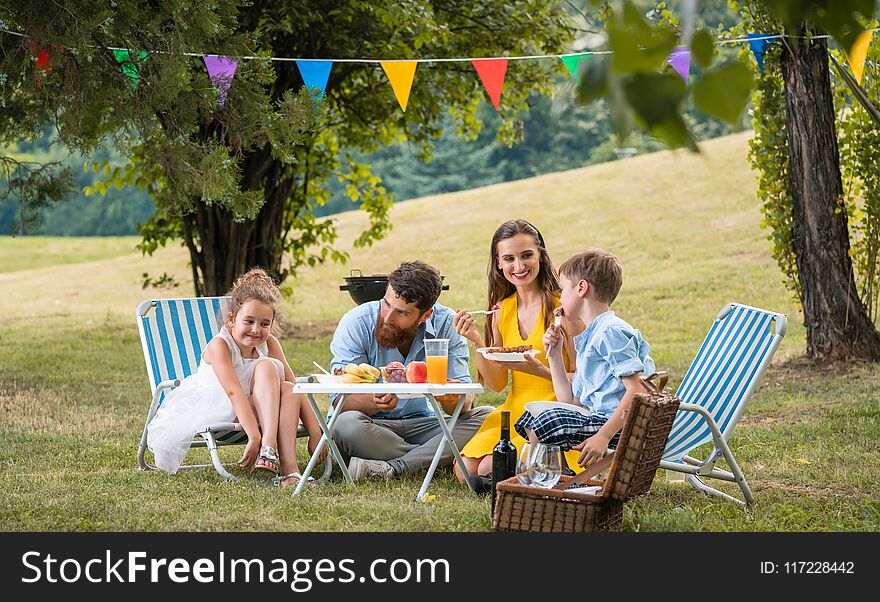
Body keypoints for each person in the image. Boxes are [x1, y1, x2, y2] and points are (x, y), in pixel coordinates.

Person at [146, 267, 327, 488]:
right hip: (223, 407)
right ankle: (267, 446)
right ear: (231, 319)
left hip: (261, 408)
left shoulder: (270, 344)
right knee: (267, 367)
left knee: (288, 388)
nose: (256, 330)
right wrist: (255, 436)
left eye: (264, 324)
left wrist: (316, 432)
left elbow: (297, 389)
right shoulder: (220, 346)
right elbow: (233, 393)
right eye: (249, 321)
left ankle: (290, 472)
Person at [329, 260, 493, 480]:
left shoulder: (447, 325)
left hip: (423, 423)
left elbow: (464, 405)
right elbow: (340, 400)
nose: (387, 317)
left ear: (425, 315)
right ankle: (433, 456)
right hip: (372, 425)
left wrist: (447, 395)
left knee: (486, 416)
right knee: (345, 426)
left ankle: (395, 467)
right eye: (386, 304)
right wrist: (374, 400)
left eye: (402, 313)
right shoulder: (357, 322)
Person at [452, 219, 582, 494]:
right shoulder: (502, 309)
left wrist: (541, 372)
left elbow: (585, 380)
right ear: (498, 263)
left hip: (556, 410)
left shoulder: (563, 308)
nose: (519, 267)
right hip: (515, 409)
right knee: (464, 470)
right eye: (509, 258)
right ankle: (508, 481)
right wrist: (476, 340)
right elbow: (498, 383)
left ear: (541, 256)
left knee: (489, 468)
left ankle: (522, 478)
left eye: (526, 256)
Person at [513, 248, 655, 469]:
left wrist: (603, 437)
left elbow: (639, 389)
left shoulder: (610, 331)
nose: (560, 298)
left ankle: (541, 478)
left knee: (547, 421)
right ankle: (558, 476)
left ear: (581, 288)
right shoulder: (591, 336)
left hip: (622, 428)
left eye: (562, 290)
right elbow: (568, 401)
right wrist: (554, 355)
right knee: (532, 417)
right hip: (603, 420)